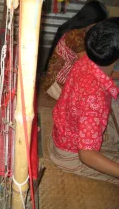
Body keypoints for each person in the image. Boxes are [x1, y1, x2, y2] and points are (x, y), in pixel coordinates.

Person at [49, 18, 119, 186]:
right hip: (70, 154)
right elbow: (87, 155)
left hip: (64, 130)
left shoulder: (86, 60)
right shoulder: (95, 99)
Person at [42, 0, 108, 100]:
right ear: (92, 21)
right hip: (54, 85)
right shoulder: (76, 36)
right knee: (94, 96)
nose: (101, 27)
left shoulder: (77, 29)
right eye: (99, 23)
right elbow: (89, 66)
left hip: (58, 79)